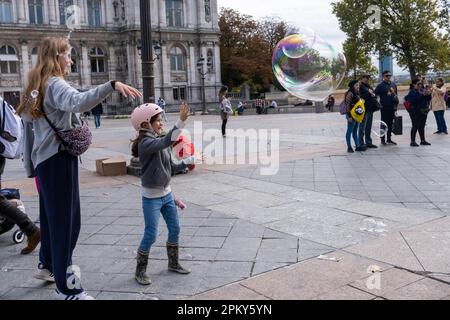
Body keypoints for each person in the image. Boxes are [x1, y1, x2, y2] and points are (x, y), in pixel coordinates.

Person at [17, 37, 141, 300]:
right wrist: (111, 85)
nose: (70, 60)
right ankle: (67, 289)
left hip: (45, 162)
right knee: (67, 223)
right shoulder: (54, 83)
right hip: (59, 160)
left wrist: (31, 165)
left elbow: (28, 127)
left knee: (52, 219)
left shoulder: (36, 84)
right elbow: (78, 102)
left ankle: (48, 266)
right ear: (57, 57)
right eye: (68, 55)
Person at [130, 102, 194, 285]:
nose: (161, 123)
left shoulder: (158, 141)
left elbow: (171, 167)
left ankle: (173, 264)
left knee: (175, 229)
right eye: (157, 120)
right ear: (144, 124)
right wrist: (180, 122)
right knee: (151, 234)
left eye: (160, 120)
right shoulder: (146, 143)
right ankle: (140, 271)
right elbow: (166, 141)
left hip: (167, 195)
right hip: (151, 198)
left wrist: (188, 161)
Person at [405, 78, 432, 147]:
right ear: (414, 84)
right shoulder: (412, 92)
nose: (420, 85)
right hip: (415, 111)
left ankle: (422, 140)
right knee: (415, 126)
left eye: (421, 84)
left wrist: (428, 94)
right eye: (418, 84)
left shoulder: (421, 90)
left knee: (422, 126)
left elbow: (428, 99)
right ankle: (412, 141)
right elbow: (414, 101)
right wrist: (422, 95)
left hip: (423, 111)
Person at [375, 71, 399, 145]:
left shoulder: (393, 84)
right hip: (384, 108)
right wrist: (378, 104)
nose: (388, 77)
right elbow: (375, 95)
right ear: (383, 77)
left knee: (390, 123)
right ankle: (382, 139)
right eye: (386, 76)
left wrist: (396, 106)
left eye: (389, 75)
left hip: (392, 107)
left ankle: (389, 139)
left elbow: (396, 95)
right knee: (384, 124)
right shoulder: (380, 85)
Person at [359, 74, 379, 148]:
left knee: (368, 127)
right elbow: (364, 95)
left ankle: (368, 142)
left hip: (370, 109)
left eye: (368, 78)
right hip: (364, 109)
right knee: (362, 127)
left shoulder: (369, 86)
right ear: (362, 78)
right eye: (365, 78)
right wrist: (371, 94)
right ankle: (361, 143)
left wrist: (372, 94)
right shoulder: (360, 86)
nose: (367, 79)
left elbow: (375, 95)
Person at [345, 80, 365, 153]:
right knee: (349, 131)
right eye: (356, 85)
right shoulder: (350, 94)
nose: (358, 87)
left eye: (358, 85)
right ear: (352, 86)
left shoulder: (357, 94)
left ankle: (357, 146)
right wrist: (349, 116)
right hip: (351, 115)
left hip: (356, 115)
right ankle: (349, 147)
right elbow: (347, 105)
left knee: (355, 131)